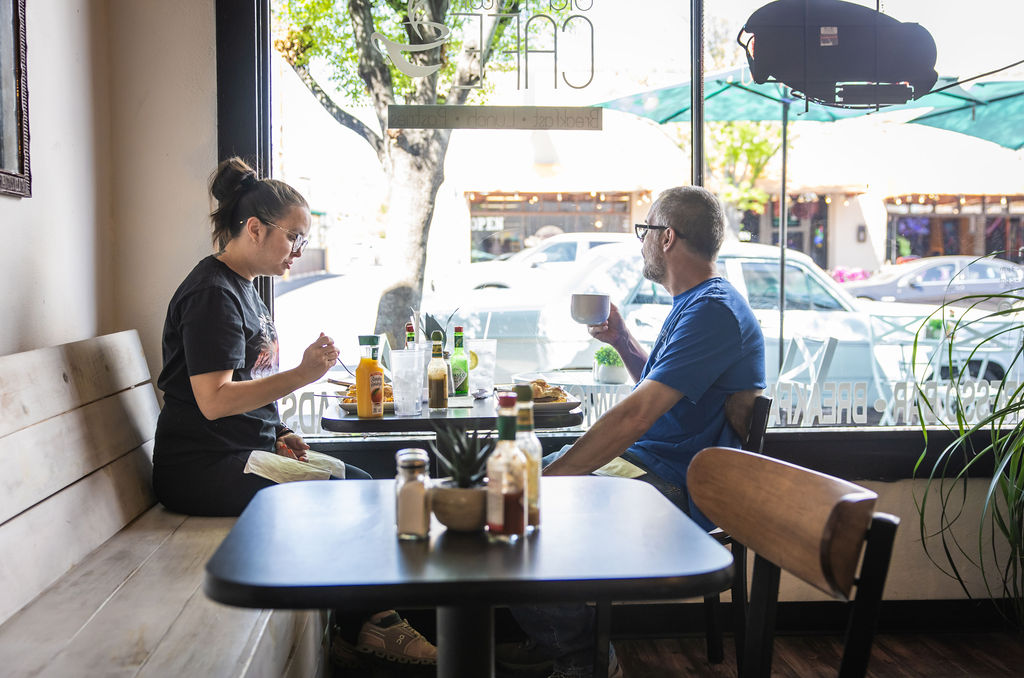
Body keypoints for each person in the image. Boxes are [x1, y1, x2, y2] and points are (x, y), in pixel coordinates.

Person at [152, 157, 436, 669]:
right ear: (255, 229)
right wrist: (304, 374)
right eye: (294, 238)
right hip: (199, 467)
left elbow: (250, 384)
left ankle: (366, 624)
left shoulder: (243, 288)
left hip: (240, 453)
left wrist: (278, 430)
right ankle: (373, 627)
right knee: (343, 489)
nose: (299, 251)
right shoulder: (212, 294)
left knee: (358, 481)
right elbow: (214, 401)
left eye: (305, 240)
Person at [499, 186, 766, 678]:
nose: (641, 242)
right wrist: (622, 340)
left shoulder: (712, 311)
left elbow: (636, 416)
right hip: (653, 462)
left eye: (645, 231)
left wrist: (554, 478)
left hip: (680, 483)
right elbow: (664, 394)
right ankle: (556, 635)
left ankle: (584, 658)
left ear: (666, 238)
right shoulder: (697, 303)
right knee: (506, 473)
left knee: (516, 505)